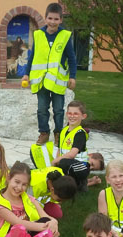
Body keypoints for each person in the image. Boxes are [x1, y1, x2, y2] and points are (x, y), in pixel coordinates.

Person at [21, 2, 77, 145]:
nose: (53, 22)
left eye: (56, 19)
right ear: (45, 18)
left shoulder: (65, 36)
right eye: (50, 18)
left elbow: (71, 58)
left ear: (61, 20)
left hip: (57, 81)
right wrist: (26, 74)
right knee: (41, 109)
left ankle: (58, 133)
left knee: (58, 110)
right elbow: (32, 56)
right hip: (41, 81)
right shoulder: (38, 35)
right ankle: (44, 133)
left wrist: (73, 76)